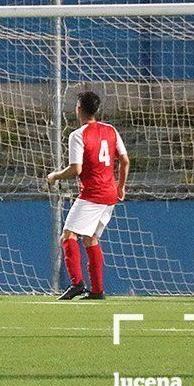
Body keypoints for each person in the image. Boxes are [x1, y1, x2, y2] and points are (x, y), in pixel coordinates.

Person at [47, 91, 130, 300]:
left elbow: (76, 169)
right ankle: (98, 290)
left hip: (93, 194)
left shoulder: (78, 135)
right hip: (110, 194)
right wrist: (121, 186)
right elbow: (125, 160)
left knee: (68, 236)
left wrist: (55, 176)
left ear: (79, 109)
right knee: (90, 238)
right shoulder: (110, 130)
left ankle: (77, 284)